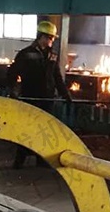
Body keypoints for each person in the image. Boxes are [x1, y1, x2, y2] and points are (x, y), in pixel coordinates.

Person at [8, 20, 72, 168]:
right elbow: (12, 73)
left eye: (53, 38)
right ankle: (19, 160)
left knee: (44, 130)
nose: (52, 41)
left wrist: (65, 94)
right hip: (31, 97)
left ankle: (41, 159)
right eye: (50, 38)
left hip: (47, 98)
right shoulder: (26, 54)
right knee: (27, 129)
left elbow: (57, 76)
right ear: (41, 36)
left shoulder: (52, 55)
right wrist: (14, 90)